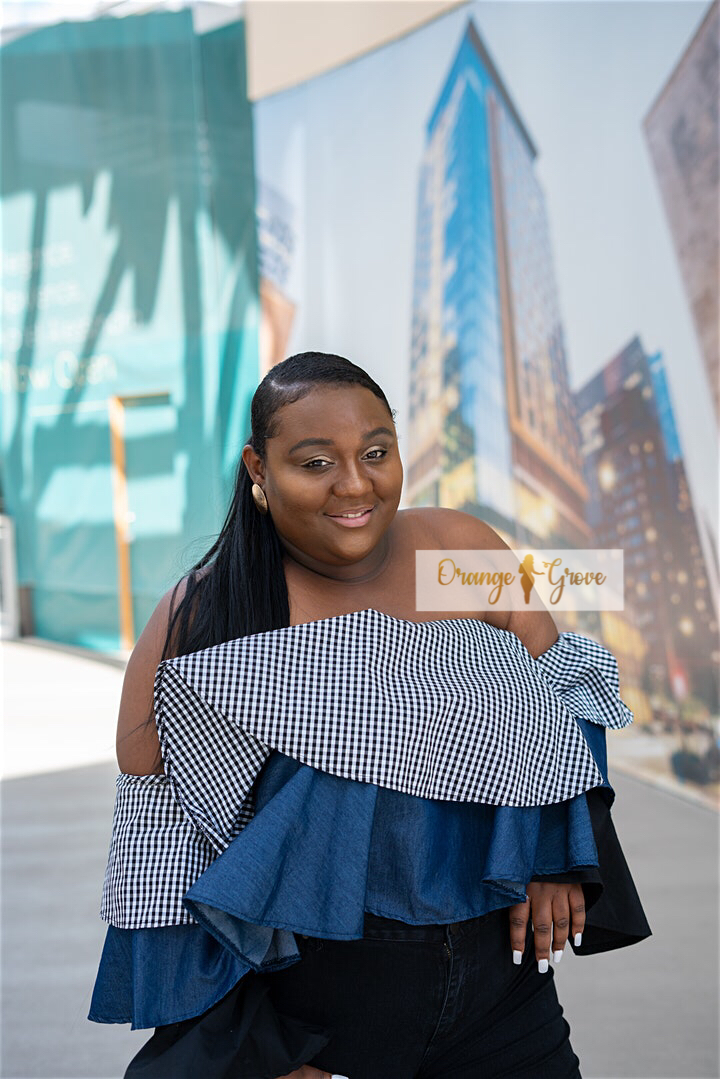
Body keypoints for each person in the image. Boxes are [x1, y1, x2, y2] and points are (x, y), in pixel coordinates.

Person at [89, 352, 650, 1079]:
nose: (355, 484)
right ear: (258, 467)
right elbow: (157, 845)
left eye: (376, 452)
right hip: (318, 1018)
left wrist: (558, 849)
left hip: (503, 993)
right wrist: (256, 1045)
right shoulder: (205, 613)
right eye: (315, 461)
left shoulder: (457, 550)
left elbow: (566, 690)